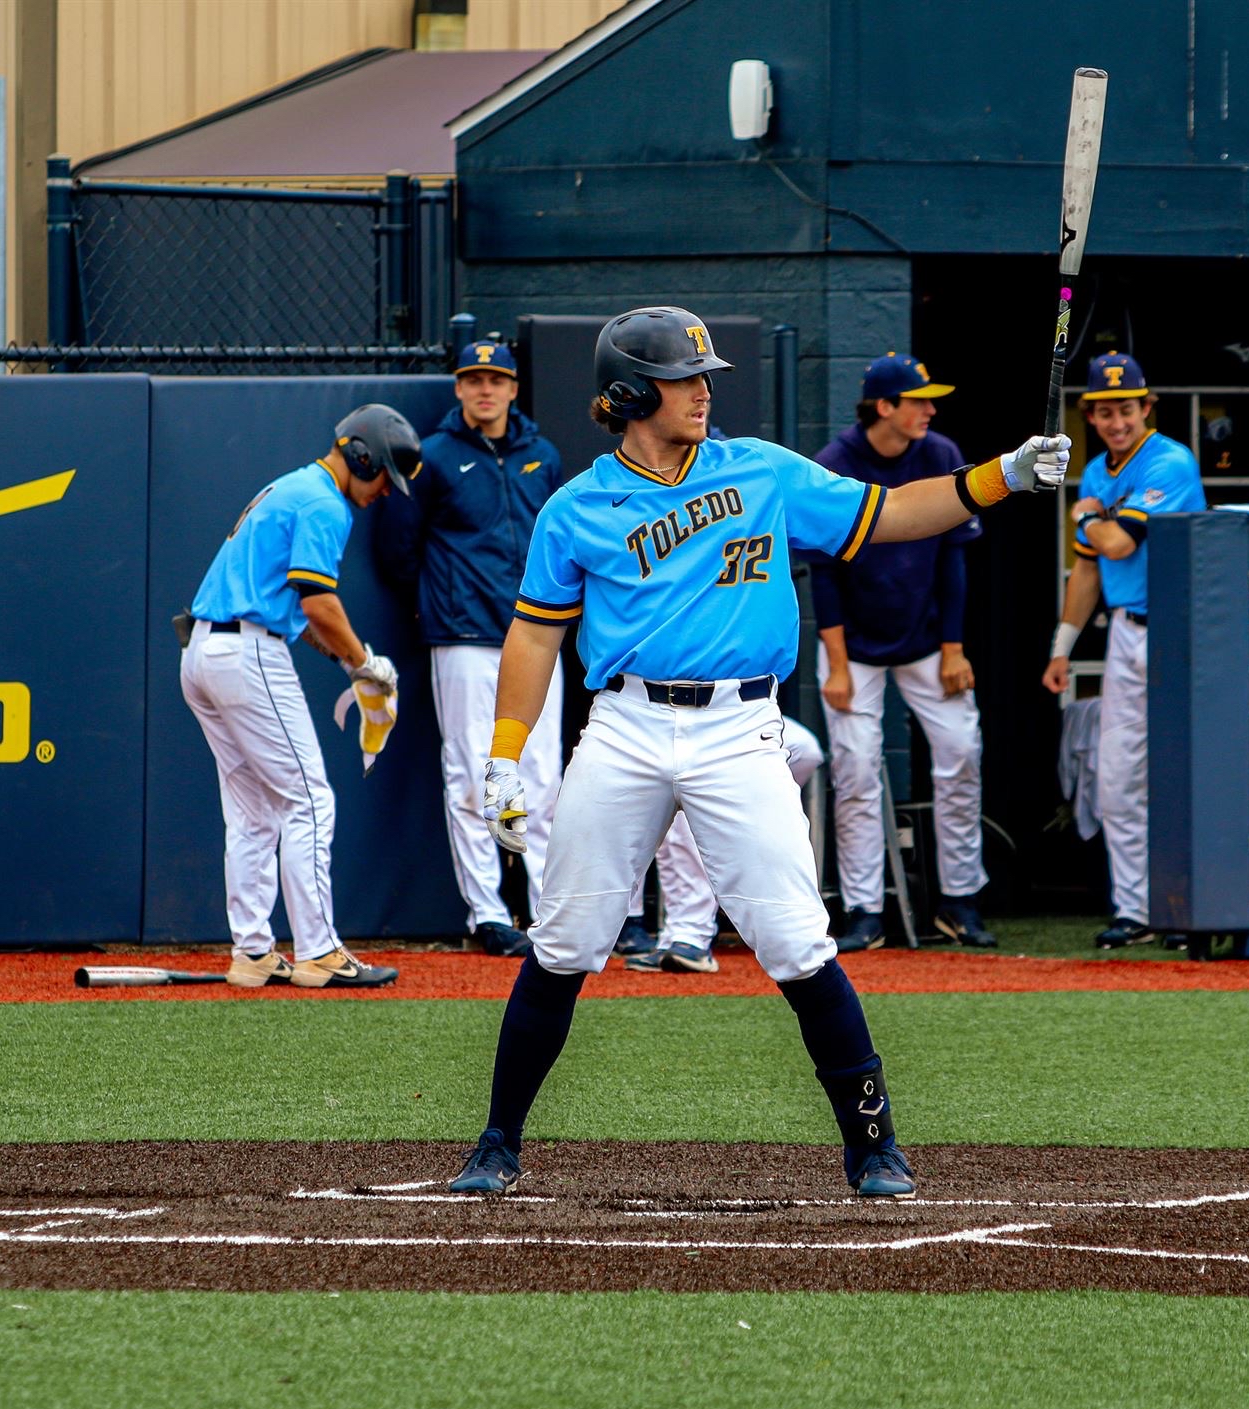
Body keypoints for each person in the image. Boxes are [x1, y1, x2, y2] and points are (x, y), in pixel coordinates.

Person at [448, 305, 1067, 1199]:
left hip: (739, 729)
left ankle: (874, 1147)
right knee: (567, 938)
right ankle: (497, 1142)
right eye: (682, 379)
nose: (702, 392)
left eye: (705, 378)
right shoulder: (576, 506)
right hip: (622, 727)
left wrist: (1002, 476)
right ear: (628, 393)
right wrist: (506, 756)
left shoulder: (761, 471)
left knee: (794, 940)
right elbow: (535, 638)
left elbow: (891, 515)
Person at [181, 405, 410, 989]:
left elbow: (300, 610)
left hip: (205, 653)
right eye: (384, 474)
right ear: (362, 455)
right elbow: (317, 604)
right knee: (309, 800)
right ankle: (319, 951)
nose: (385, 491)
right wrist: (365, 662)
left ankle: (253, 951)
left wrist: (351, 660)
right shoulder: (323, 503)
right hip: (248, 654)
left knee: (254, 809)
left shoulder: (293, 486)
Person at [383, 341, 567, 958]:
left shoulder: (542, 454)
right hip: (463, 637)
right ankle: (487, 914)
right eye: (473, 379)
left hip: (536, 637)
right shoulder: (431, 458)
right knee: (470, 775)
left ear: (514, 388)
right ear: (458, 389)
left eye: (496, 379)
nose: (484, 389)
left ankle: (548, 910)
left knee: (543, 778)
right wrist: (435, 603)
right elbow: (399, 549)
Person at [811, 354, 992, 952]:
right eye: (919, 400)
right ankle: (865, 909)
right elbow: (824, 575)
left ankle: (960, 902)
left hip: (926, 638)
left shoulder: (939, 453)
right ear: (884, 407)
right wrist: (836, 664)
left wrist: (954, 649)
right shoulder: (835, 465)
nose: (931, 411)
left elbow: (954, 559)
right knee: (858, 768)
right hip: (853, 647)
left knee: (961, 751)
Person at [1043, 352, 1206, 947]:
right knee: (1116, 778)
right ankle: (1136, 910)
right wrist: (1062, 648)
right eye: (1106, 412)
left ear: (1147, 407)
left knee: (1184, 773)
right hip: (1126, 631)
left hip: (1183, 633)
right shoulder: (1095, 474)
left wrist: (1087, 515)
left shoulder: (1171, 459)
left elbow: (1113, 543)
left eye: (1127, 409)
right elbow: (1086, 571)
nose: (1117, 422)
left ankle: (1189, 910)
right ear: (1092, 414)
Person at [623, 726, 826, 973]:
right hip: (656, 720)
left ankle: (785, 935)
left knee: (805, 748)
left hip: (737, 716)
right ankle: (689, 934)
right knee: (679, 786)